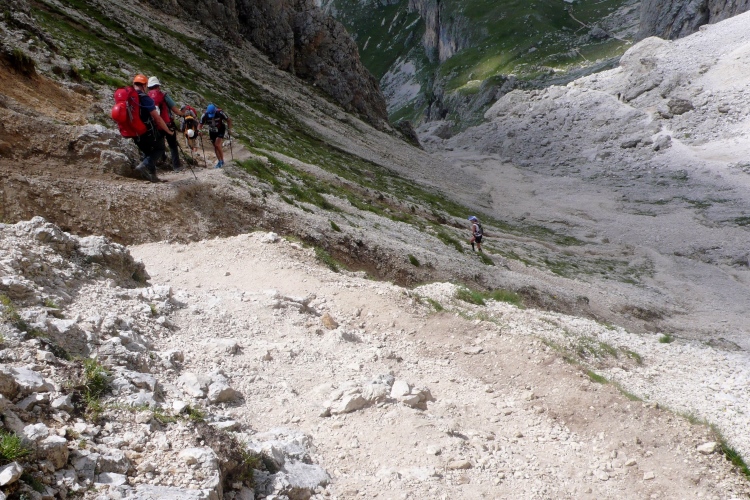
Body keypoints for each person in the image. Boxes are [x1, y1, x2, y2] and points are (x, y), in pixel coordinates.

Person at [131, 74, 175, 182]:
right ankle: (143, 166)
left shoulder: (129, 97)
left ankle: (152, 176)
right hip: (146, 131)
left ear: (133, 83)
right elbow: (158, 119)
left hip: (133, 132)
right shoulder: (144, 98)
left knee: (148, 152)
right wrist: (168, 131)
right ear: (144, 85)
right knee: (160, 148)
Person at [147, 76, 185, 172]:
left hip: (156, 126)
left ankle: (161, 162)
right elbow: (175, 110)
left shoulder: (147, 97)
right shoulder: (164, 95)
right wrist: (182, 114)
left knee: (160, 145)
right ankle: (176, 166)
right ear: (158, 86)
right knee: (173, 145)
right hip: (168, 124)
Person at [199, 103, 232, 168]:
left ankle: (222, 161)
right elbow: (200, 125)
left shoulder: (220, 113)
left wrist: (229, 129)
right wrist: (199, 131)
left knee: (217, 144)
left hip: (220, 129)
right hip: (212, 131)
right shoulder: (204, 115)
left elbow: (228, 120)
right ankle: (219, 161)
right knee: (215, 146)